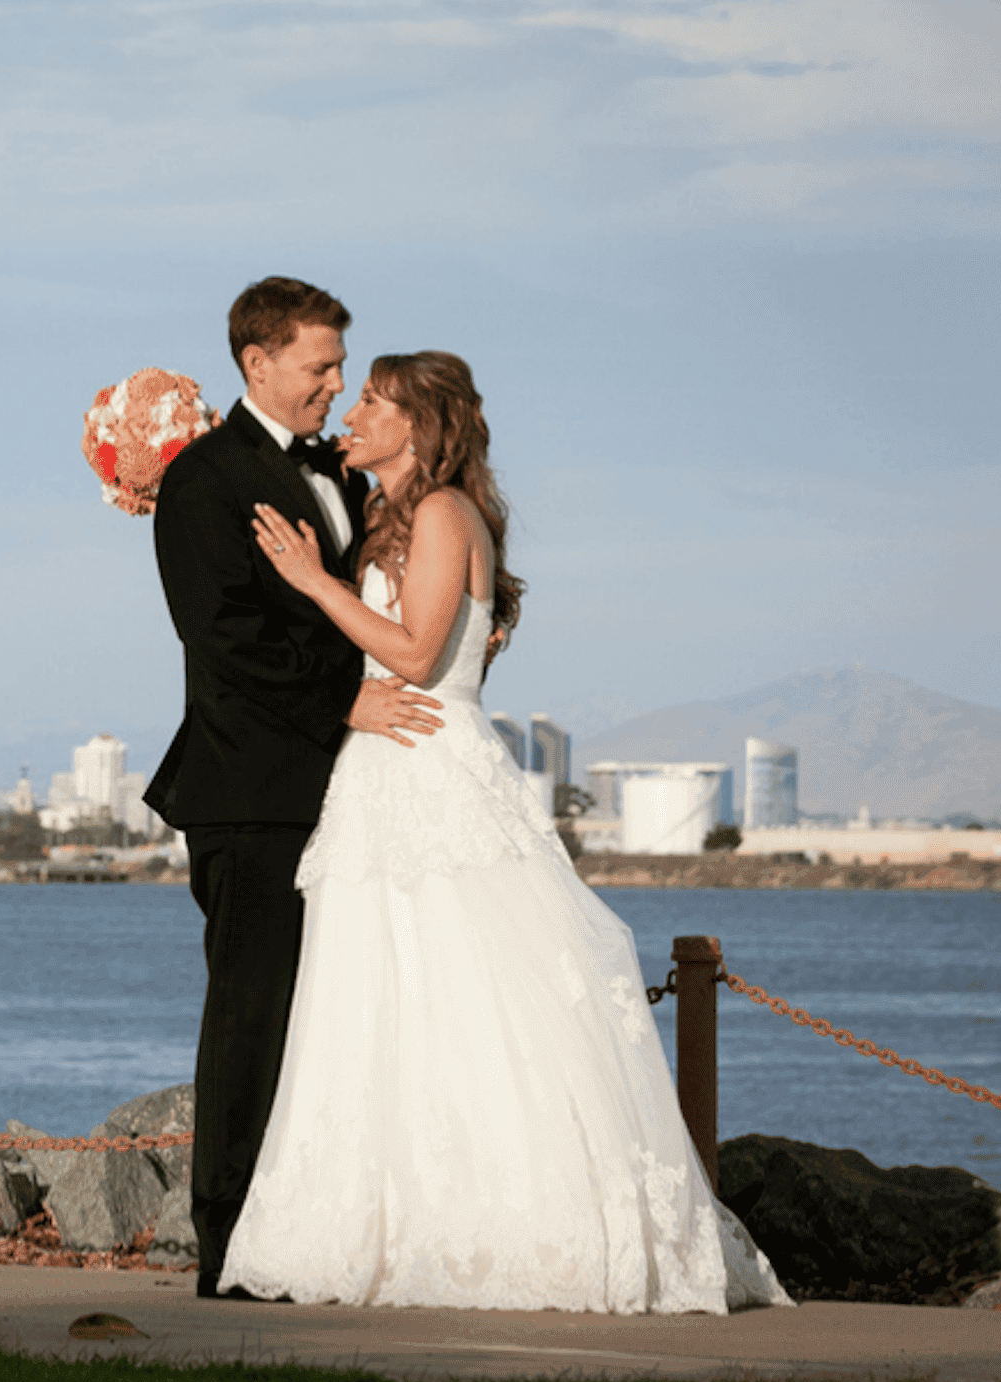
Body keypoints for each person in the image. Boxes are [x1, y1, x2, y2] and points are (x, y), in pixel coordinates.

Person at [226, 350, 788, 1312]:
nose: (354, 408)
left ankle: (522, 1228)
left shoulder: (445, 514)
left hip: (438, 776)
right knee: (383, 1004)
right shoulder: (382, 518)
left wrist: (316, 582)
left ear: (421, 424)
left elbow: (410, 649)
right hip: (380, 779)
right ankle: (396, 1229)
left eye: (375, 399)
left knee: (473, 998)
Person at [143, 277, 445, 1299]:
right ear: (256, 362)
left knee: (343, 1015)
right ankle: (227, 1248)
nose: (334, 386)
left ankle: (321, 1234)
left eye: (338, 368)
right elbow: (225, 641)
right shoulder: (203, 481)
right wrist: (343, 705)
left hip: (353, 794)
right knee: (254, 1016)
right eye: (319, 368)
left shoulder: (340, 470)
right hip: (251, 792)